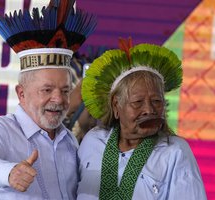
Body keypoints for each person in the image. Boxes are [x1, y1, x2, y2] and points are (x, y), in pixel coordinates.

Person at [0, 0, 96, 199]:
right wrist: (8, 173)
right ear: (21, 93)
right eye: (47, 90)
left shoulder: (70, 143)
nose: (58, 99)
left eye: (65, 91)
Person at [77, 38, 207, 199]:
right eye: (138, 102)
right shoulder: (93, 141)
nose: (149, 110)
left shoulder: (175, 151)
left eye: (157, 101)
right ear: (116, 105)